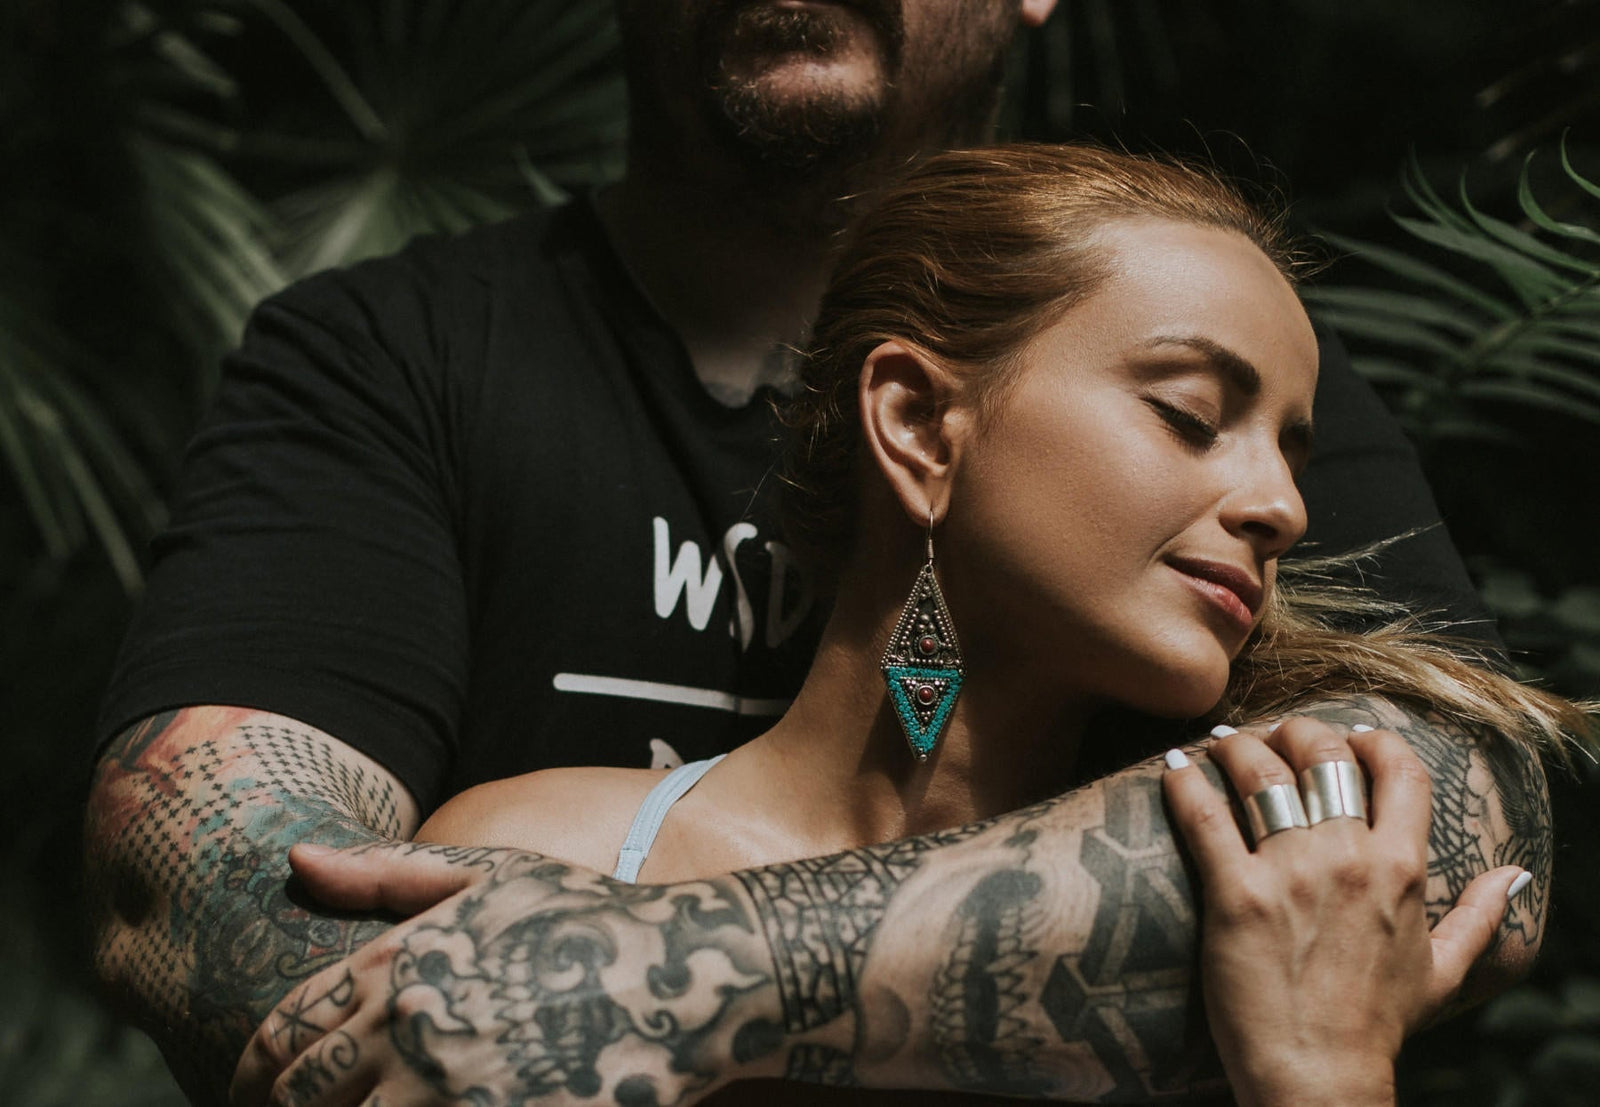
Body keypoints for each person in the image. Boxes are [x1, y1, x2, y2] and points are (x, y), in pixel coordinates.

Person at [84, 2, 1554, 1104]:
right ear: (912, 421)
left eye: (1283, 446)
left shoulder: (1278, 896)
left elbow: (1450, 818)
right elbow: (225, 897)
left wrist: (668, 974)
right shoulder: (391, 369)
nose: (1278, 503)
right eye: (1190, 413)